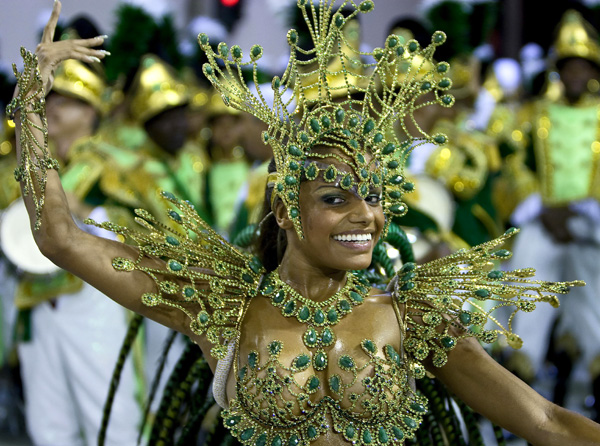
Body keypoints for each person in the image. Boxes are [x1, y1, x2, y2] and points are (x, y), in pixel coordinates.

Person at [8, 2, 600, 445]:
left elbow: (547, 421)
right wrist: (30, 101)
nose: (365, 215)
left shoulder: (410, 318)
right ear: (287, 211)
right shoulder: (222, 307)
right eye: (336, 199)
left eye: (373, 196)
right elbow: (61, 237)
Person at [7, 28, 142, 445]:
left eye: (68, 101)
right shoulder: (23, 162)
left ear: (92, 112)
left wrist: (86, 211)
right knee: (48, 425)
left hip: (96, 298)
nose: (55, 108)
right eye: (52, 99)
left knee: (110, 415)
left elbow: (143, 231)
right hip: (36, 301)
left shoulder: (118, 162)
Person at [499, 9, 600, 420]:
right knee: (527, 299)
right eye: (568, 66)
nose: (575, 74)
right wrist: (540, 206)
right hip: (542, 221)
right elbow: (512, 166)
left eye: (583, 66)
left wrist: (589, 209)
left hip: (592, 227)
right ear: (558, 70)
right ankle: (522, 404)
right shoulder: (532, 114)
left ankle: (583, 410)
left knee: (595, 314)